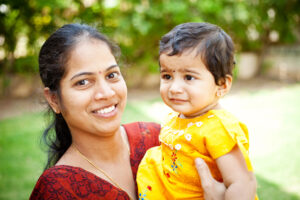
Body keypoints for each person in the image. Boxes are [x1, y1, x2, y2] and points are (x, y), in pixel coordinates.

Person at [30, 23, 227, 200]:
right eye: (83, 82)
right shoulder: (57, 190)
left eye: (112, 75)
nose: (106, 93)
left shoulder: (158, 140)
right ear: (54, 99)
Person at [137, 22, 258, 200]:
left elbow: (242, 183)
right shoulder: (179, 116)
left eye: (189, 77)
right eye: (167, 76)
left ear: (222, 85)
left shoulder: (219, 128)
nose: (174, 88)